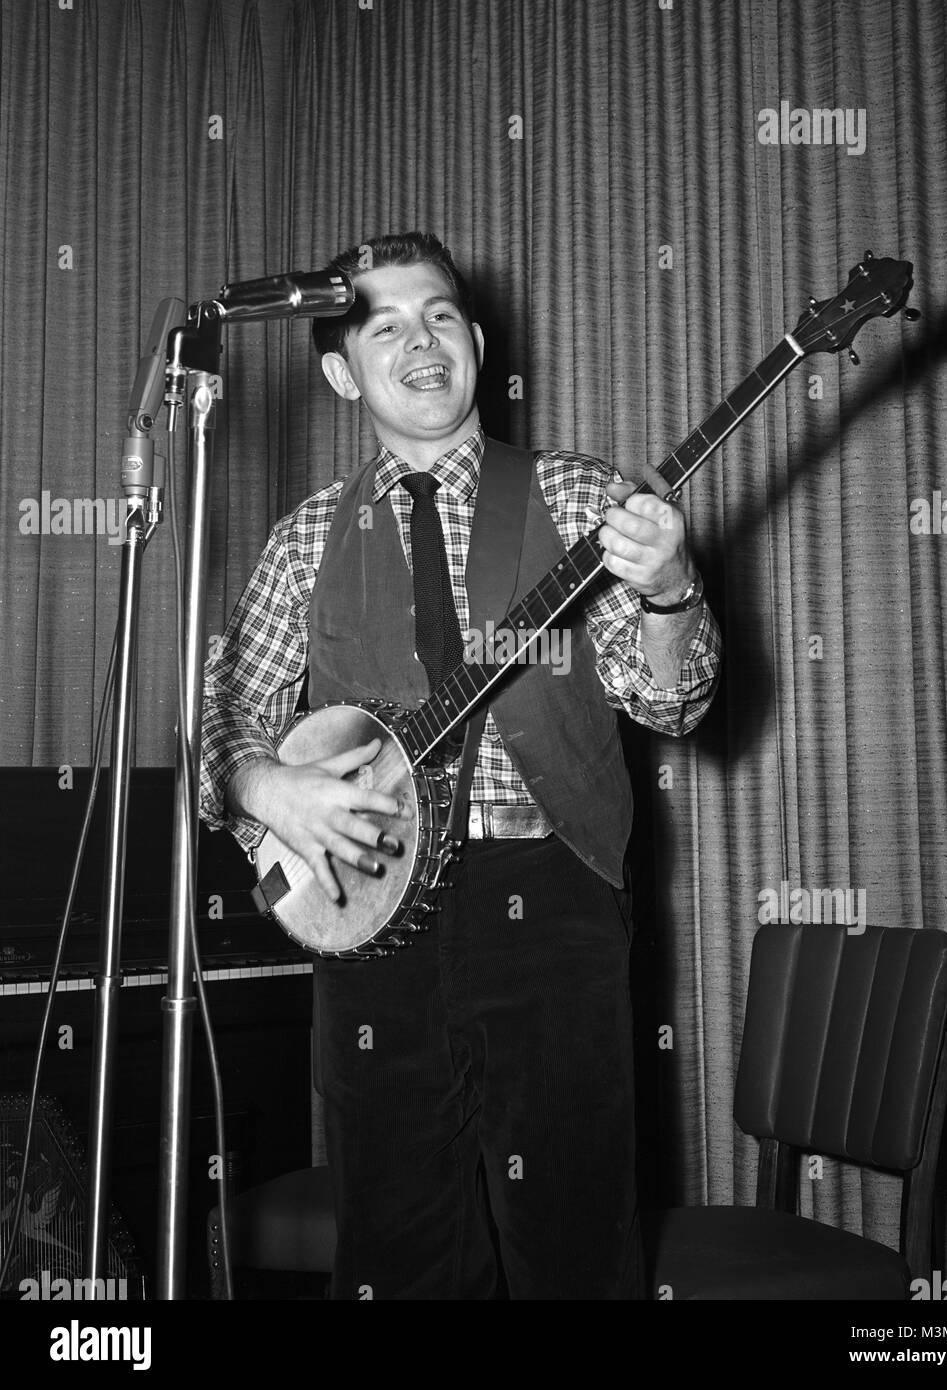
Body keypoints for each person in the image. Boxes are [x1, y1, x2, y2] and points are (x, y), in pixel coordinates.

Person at [199, 231, 721, 1300]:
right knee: (398, 1249)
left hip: (553, 907)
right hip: (372, 920)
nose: (418, 339)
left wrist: (671, 592)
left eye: (438, 314)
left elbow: (673, 703)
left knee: (573, 1242)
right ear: (344, 372)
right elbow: (218, 727)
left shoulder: (579, 497)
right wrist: (262, 786)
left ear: (476, 342)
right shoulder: (302, 539)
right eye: (383, 324)